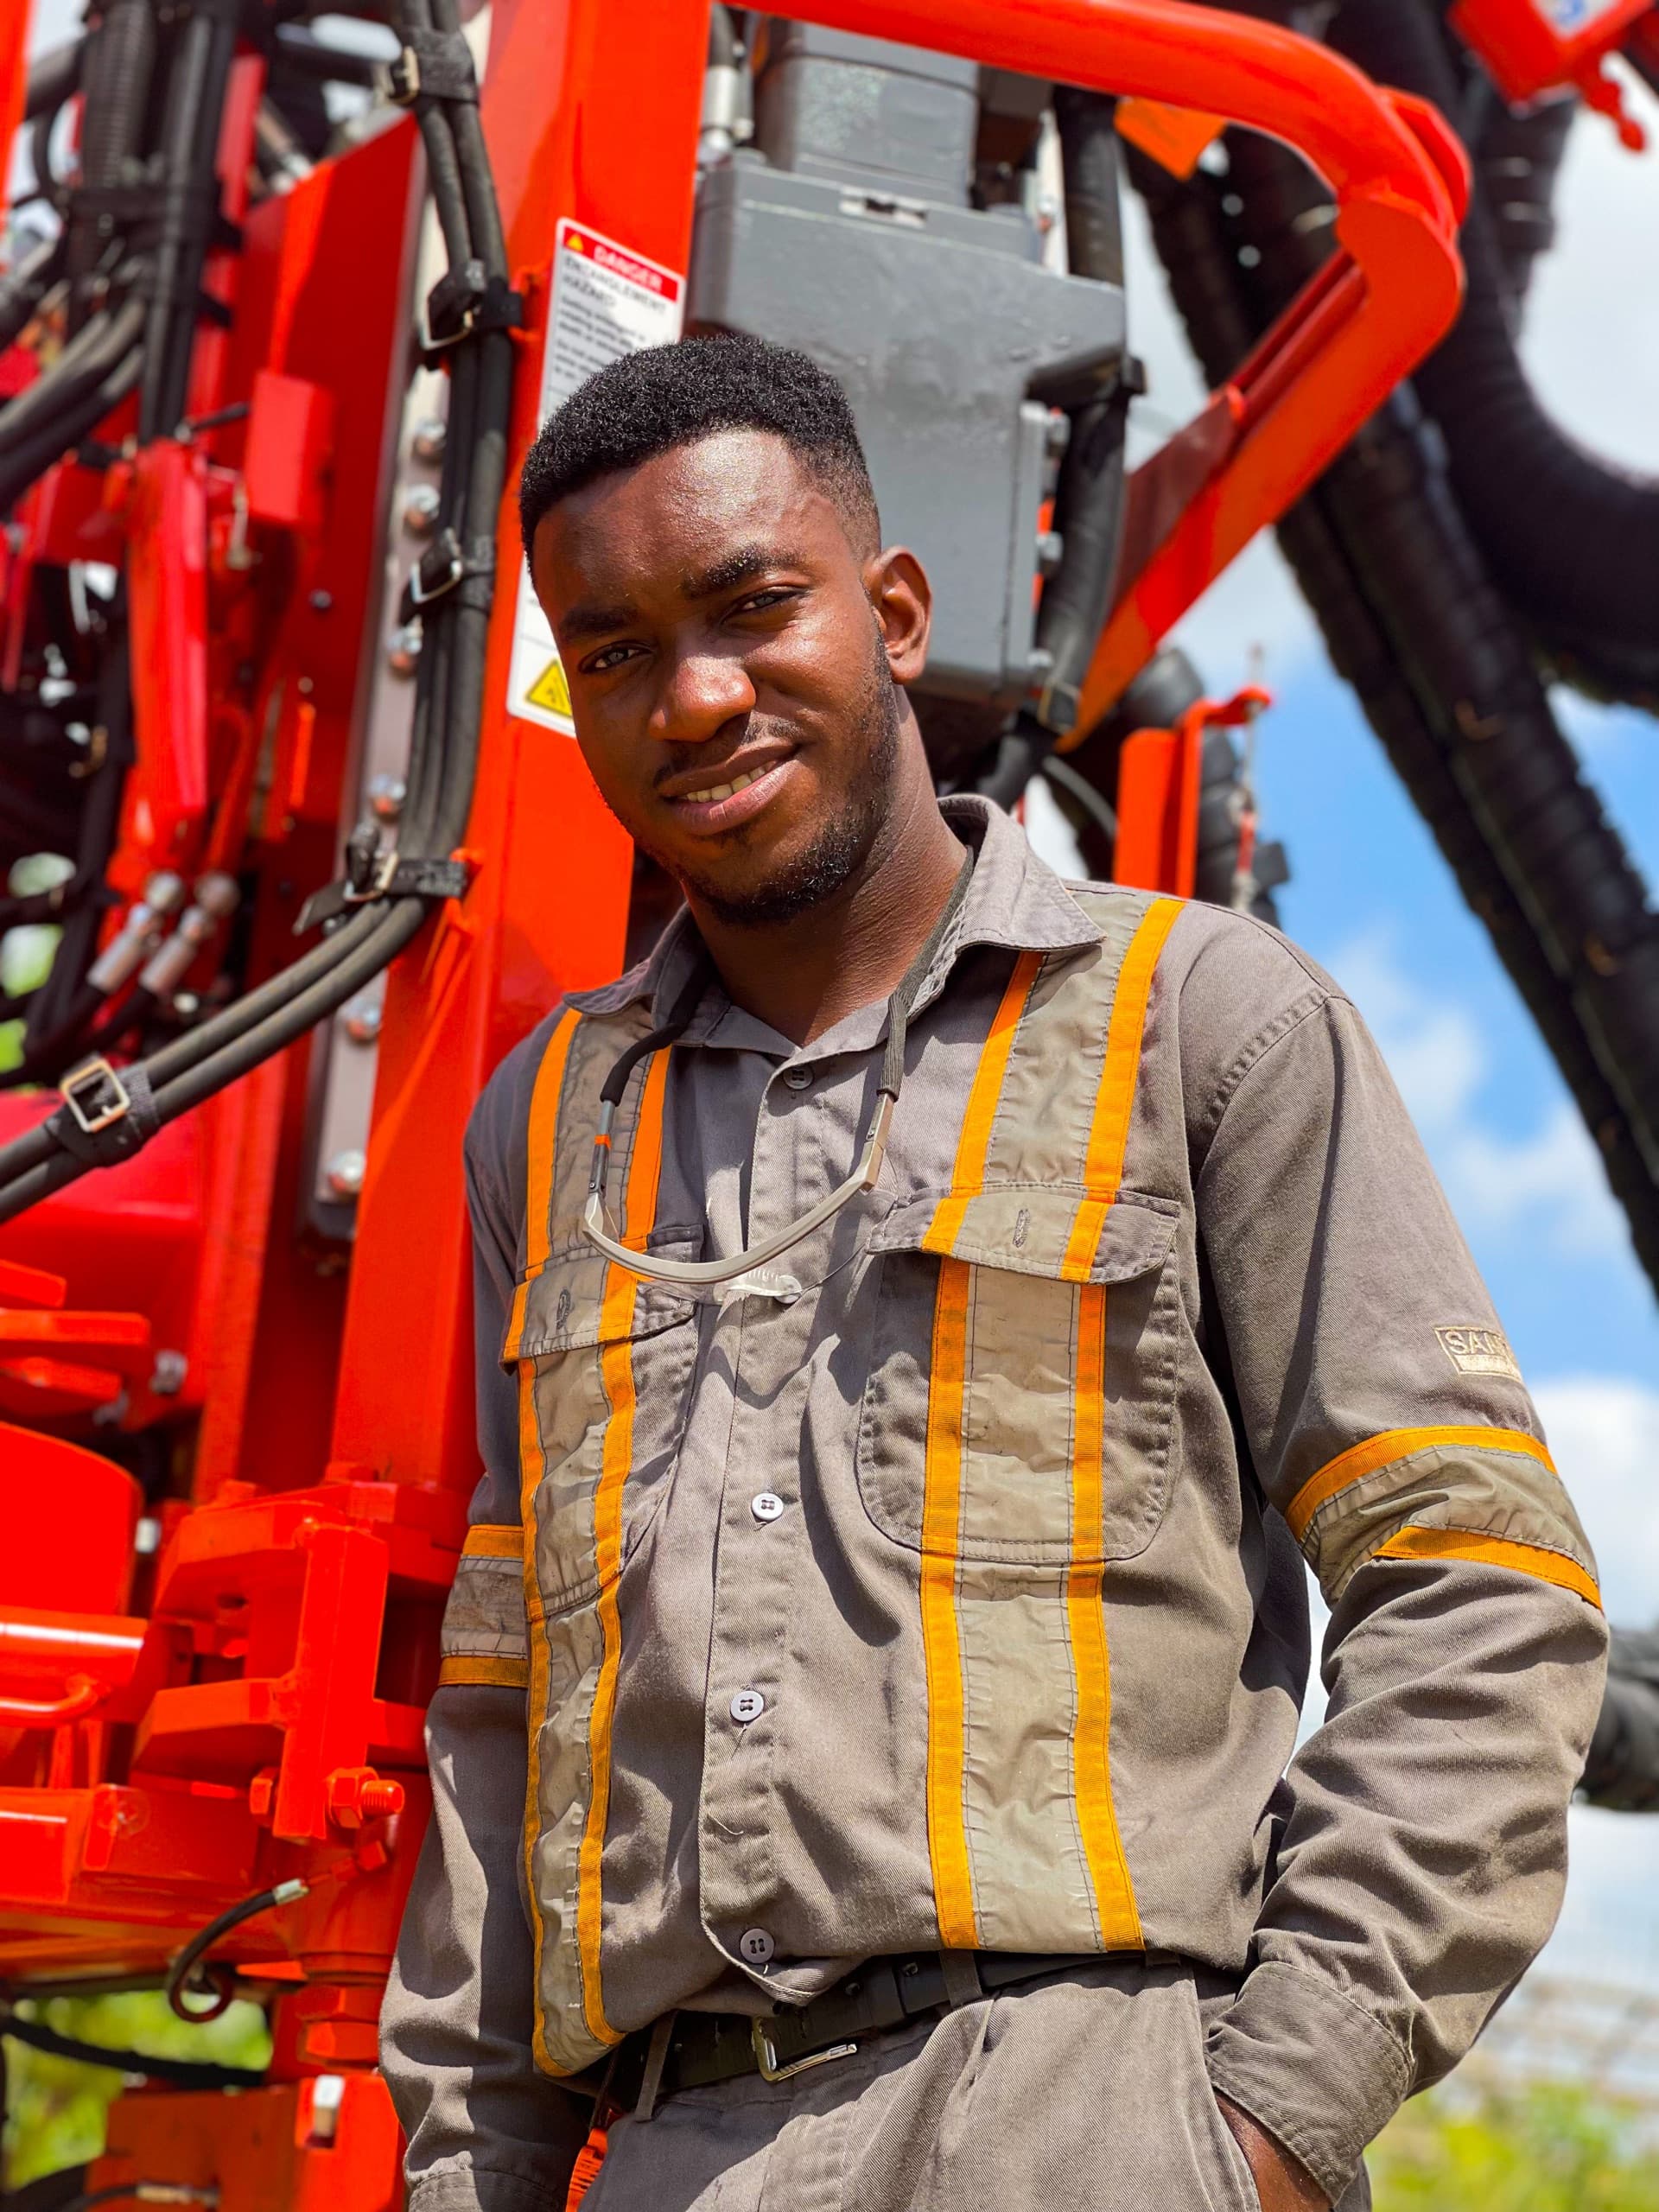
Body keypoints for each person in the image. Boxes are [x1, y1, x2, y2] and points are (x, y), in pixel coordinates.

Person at [381, 333, 1608, 2212]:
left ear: (892, 611)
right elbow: (502, 1715)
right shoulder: (544, 1129)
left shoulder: (1206, 1023)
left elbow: (1482, 1587)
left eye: (751, 605)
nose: (695, 696)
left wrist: (1262, 2127)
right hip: (672, 2148)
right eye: (617, 650)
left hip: (1085, 2119)